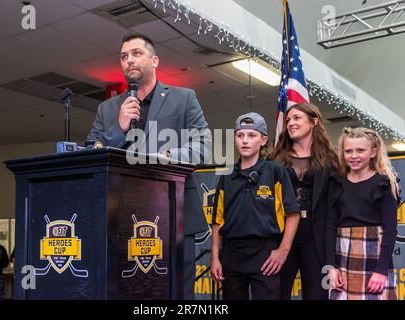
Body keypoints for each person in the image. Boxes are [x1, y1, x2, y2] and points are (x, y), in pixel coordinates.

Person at [210, 112, 300, 300]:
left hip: (265, 253)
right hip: (231, 254)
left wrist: (283, 251)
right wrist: (215, 257)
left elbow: (292, 214)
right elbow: (217, 221)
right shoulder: (226, 176)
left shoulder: (275, 171)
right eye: (240, 135)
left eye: (252, 135)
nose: (245, 140)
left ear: (263, 140)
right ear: (235, 139)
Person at [87, 32, 211, 164]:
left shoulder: (183, 98)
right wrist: (118, 128)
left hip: (170, 183)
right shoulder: (106, 109)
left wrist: (166, 156)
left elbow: (203, 147)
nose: (129, 60)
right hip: (119, 184)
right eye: (124, 56)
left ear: (154, 61)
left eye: (137, 53)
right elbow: (88, 154)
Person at [270, 103, 338, 300]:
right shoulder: (274, 160)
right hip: (282, 235)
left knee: (317, 295)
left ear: (314, 121)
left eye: (297, 118)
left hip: (316, 237)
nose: (291, 123)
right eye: (289, 119)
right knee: (275, 293)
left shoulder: (331, 160)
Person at [326, 127, 398, 300]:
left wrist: (381, 271)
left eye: (360, 150)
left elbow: (390, 231)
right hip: (342, 254)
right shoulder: (337, 183)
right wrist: (331, 266)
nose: (354, 155)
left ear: (373, 152)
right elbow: (329, 227)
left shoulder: (383, 184)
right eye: (348, 151)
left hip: (374, 255)